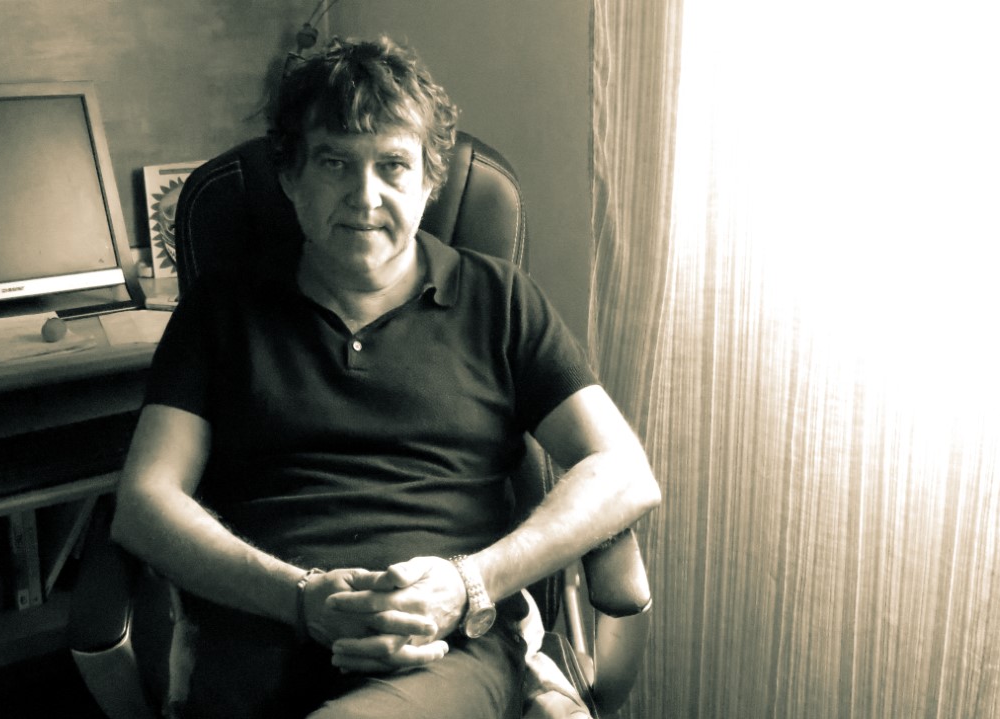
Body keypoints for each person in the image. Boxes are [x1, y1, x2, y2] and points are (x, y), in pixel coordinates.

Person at [110, 35, 660, 719]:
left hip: (447, 646)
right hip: (260, 632)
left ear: (430, 181)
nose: (364, 196)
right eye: (334, 162)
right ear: (290, 177)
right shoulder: (220, 311)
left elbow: (624, 472)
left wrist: (468, 584)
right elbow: (145, 501)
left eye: (393, 165)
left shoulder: (499, 301)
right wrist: (301, 599)